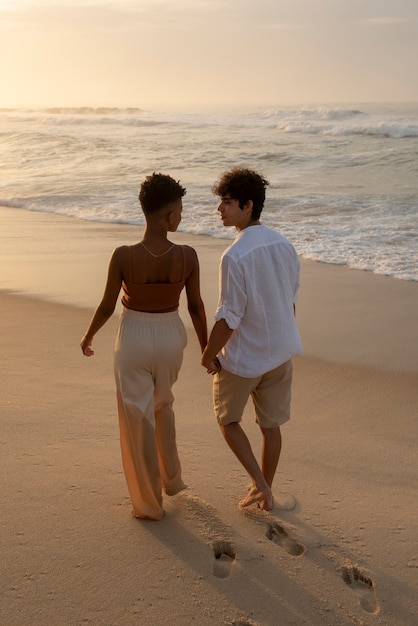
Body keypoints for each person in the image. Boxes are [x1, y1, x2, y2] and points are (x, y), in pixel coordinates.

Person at [81, 173, 207, 520]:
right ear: (168, 217)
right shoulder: (187, 256)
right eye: (179, 211)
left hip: (134, 336)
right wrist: (206, 348)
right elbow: (195, 306)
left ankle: (149, 504)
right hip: (170, 336)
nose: (181, 217)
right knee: (163, 405)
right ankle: (172, 479)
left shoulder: (123, 255)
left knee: (137, 417)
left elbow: (107, 305)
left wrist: (88, 335)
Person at [201, 168, 302, 511]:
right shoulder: (285, 245)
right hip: (280, 353)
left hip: (244, 358)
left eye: (226, 203)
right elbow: (290, 301)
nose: (219, 209)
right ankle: (266, 491)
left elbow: (229, 317)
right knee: (271, 426)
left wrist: (207, 354)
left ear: (248, 205)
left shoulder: (235, 255)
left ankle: (260, 485)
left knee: (228, 420)